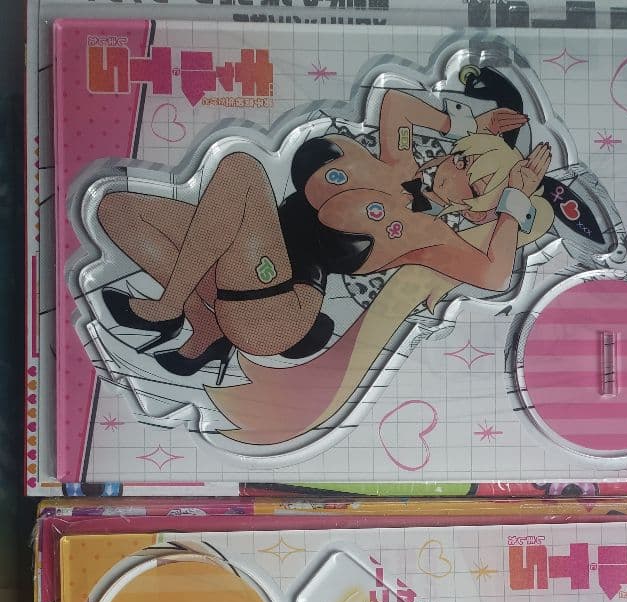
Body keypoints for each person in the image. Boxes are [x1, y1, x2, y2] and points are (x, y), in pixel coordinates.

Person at [95, 78, 552, 390]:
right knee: (117, 211)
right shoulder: (397, 161)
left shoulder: (426, 234)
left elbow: (494, 275)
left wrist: (514, 200)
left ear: (478, 204)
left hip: (276, 309)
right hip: (241, 269)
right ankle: (203, 322)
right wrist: (467, 124)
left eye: (474, 186)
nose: (455, 173)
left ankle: (169, 306)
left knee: (240, 169)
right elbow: (395, 101)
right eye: (463, 159)